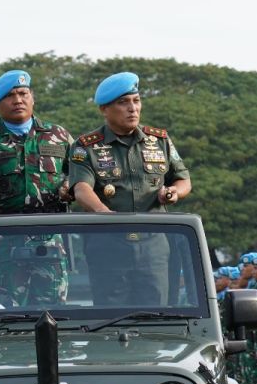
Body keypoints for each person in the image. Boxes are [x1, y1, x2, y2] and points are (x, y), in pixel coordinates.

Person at [69, 72, 192, 307]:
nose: (132, 108)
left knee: (158, 311)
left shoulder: (159, 140)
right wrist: (104, 214)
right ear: (104, 109)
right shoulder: (86, 146)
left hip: (154, 244)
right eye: (123, 102)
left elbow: (183, 180)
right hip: (109, 243)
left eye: (136, 101)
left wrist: (174, 193)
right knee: (110, 315)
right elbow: (81, 188)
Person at [0, 69, 73, 307]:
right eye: (10, 96)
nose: (18, 100)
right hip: (6, 243)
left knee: (54, 316)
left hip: (50, 243)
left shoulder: (58, 135)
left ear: (32, 97)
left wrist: (68, 186)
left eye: (23, 93)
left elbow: (81, 174)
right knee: (5, 316)